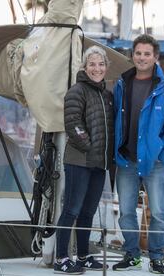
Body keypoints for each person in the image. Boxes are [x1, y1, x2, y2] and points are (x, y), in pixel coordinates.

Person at [112, 34, 164, 274]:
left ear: (155, 57)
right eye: (138, 53)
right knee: (126, 212)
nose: (142, 58)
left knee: (159, 213)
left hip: (154, 162)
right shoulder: (122, 84)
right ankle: (132, 255)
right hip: (126, 160)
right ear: (132, 55)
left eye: (147, 54)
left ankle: (156, 258)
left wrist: (163, 157)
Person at [54, 46, 114, 274]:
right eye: (92, 64)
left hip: (99, 163)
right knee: (71, 209)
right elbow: (73, 124)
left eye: (100, 64)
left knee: (88, 211)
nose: (96, 68)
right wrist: (89, 147)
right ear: (84, 67)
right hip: (80, 160)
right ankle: (61, 259)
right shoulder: (77, 91)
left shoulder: (106, 95)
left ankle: (83, 256)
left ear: (106, 67)